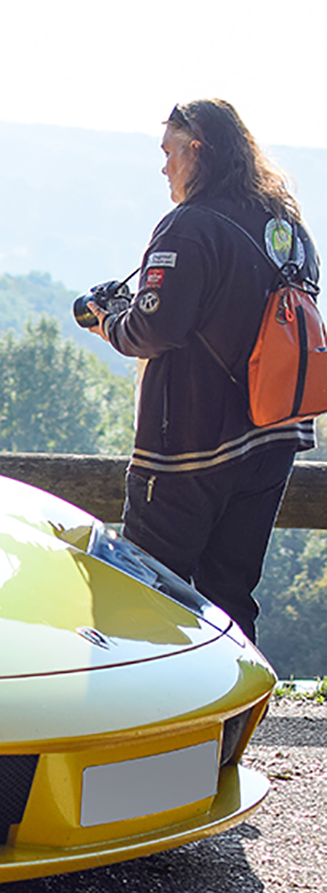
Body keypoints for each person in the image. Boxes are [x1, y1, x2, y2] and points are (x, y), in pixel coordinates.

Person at [90, 99, 319, 643]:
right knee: (231, 595)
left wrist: (108, 322)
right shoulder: (287, 226)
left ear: (198, 152)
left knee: (149, 591)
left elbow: (155, 330)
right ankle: (233, 719)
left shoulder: (189, 228)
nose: (163, 167)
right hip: (274, 436)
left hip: (190, 445)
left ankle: (154, 719)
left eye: (169, 152)